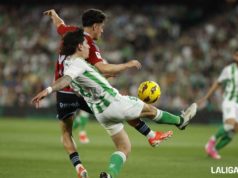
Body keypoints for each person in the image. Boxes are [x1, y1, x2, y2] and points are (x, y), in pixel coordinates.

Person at [32, 29, 197, 178]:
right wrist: (47, 91)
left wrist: (101, 79)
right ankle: (180, 122)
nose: (88, 47)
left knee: (124, 147)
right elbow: (65, 80)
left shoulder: (69, 64)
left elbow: (79, 79)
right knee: (150, 110)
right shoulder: (76, 64)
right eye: (85, 44)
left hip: (101, 114)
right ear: (79, 47)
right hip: (113, 103)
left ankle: (109, 175)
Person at [197, 50, 238, 160]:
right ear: (234, 56)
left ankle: (214, 150)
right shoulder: (229, 70)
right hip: (229, 101)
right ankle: (210, 143)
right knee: (230, 125)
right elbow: (217, 83)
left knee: (233, 132)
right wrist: (206, 97)